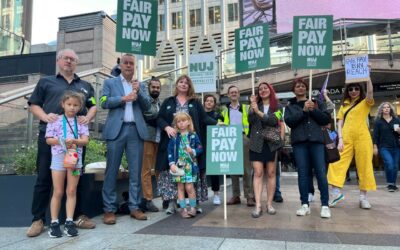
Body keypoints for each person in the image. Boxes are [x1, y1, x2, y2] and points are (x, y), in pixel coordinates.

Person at [27, 48, 97, 237]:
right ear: (58, 61)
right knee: (43, 179)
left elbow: (94, 105)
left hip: (76, 142)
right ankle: (38, 220)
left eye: (73, 59)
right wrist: (46, 117)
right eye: (66, 58)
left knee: (76, 180)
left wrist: (88, 118)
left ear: (77, 63)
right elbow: (33, 104)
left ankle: (77, 217)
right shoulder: (45, 82)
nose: (69, 61)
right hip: (51, 139)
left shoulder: (85, 85)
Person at [100, 54, 151, 224]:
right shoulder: (110, 83)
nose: (129, 66)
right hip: (116, 131)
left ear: (135, 66)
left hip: (135, 131)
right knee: (111, 171)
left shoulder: (140, 85)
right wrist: (123, 98)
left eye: (132, 63)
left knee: (136, 172)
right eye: (126, 63)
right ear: (120, 65)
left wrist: (139, 92)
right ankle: (109, 209)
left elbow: (148, 106)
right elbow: (103, 101)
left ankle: (134, 207)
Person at [156, 75, 217, 214]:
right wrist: (166, 127)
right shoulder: (168, 101)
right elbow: (159, 118)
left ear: (189, 87)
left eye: (186, 83)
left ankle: (194, 203)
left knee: (192, 176)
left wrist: (218, 123)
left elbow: (204, 118)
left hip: (190, 147)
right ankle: (172, 203)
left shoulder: (195, 102)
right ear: (176, 84)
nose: (183, 84)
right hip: (172, 145)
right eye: (181, 82)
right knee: (172, 174)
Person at [284, 78, 331, 218]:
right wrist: (304, 111)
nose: (300, 88)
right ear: (294, 90)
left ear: (307, 88)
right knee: (303, 174)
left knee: (321, 173)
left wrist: (313, 110)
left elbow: (326, 120)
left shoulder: (317, 103)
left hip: (316, 142)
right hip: (300, 143)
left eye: (303, 86)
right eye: (297, 86)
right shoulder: (290, 106)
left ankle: (325, 205)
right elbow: (290, 122)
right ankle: (304, 204)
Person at [45, 91, 89, 237]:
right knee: (58, 191)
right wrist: (62, 141)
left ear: (80, 107)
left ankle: (69, 221)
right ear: (63, 104)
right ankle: (54, 222)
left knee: (71, 190)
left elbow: (85, 140)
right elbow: (49, 139)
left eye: (76, 105)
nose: (72, 108)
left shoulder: (81, 121)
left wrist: (74, 141)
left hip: (75, 159)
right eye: (69, 104)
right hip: (59, 157)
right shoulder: (54, 120)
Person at [327, 77, 376, 209]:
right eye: (350, 89)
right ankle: (336, 193)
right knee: (336, 163)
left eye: (356, 88)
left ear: (360, 90)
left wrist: (368, 77)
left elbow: (370, 92)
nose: (353, 91)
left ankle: (363, 197)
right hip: (346, 138)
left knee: (364, 166)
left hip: (363, 137)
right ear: (347, 91)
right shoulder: (344, 105)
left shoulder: (366, 102)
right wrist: (340, 139)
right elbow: (339, 123)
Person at [248, 82, 283, 218]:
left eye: (265, 88)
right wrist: (253, 108)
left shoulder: (278, 106)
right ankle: (258, 205)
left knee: (271, 173)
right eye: (260, 89)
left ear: (270, 90)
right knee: (257, 173)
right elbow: (250, 120)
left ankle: (269, 204)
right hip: (256, 143)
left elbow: (273, 121)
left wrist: (258, 111)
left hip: (271, 143)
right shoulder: (254, 105)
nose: (262, 90)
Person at [222, 85, 255, 206]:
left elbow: (253, 119)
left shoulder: (246, 108)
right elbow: (220, 123)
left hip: (243, 138)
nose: (234, 94)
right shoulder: (224, 110)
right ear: (228, 95)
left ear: (239, 94)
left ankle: (249, 196)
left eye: (236, 92)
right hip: (230, 139)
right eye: (232, 92)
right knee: (232, 169)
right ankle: (236, 196)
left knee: (247, 168)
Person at [168, 112, 203, 218]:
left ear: (188, 122)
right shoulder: (174, 137)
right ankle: (183, 209)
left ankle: (193, 208)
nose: (181, 123)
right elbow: (169, 150)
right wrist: (171, 164)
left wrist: (193, 150)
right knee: (180, 188)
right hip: (178, 167)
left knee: (190, 187)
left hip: (190, 166)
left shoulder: (193, 135)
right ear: (176, 124)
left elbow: (200, 148)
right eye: (179, 122)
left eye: (183, 121)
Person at [140, 76, 162, 212]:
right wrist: (160, 118)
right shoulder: (146, 102)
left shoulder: (161, 103)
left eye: (158, 87)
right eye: (153, 87)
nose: (155, 89)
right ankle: (148, 199)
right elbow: (149, 115)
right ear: (149, 88)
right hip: (148, 138)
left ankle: (165, 196)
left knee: (160, 169)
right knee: (146, 170)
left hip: (160, 139)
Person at [202, 94, 224, 205]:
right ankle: (199, 194)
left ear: (214, 103)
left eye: (211, 101)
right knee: (201, 171)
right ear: (204, 102)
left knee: (215, 171)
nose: (209, 102)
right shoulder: (199, 114)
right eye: (207, 100)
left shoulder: (218, 115)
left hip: (214, 145)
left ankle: (216, 194)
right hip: (201, 144)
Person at [373, 102, 400, 192]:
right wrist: (375, 147)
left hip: (396, 146)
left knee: (395, 166)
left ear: (390, 109)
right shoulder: (378, 122)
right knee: (390, 164)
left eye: (388, 107)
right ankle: (390, 184)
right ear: (381, 110)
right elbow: (375, 135)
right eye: (384, 107)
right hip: (384, 147)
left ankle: (392, 184)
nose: (386, 109)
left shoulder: (396, 120)